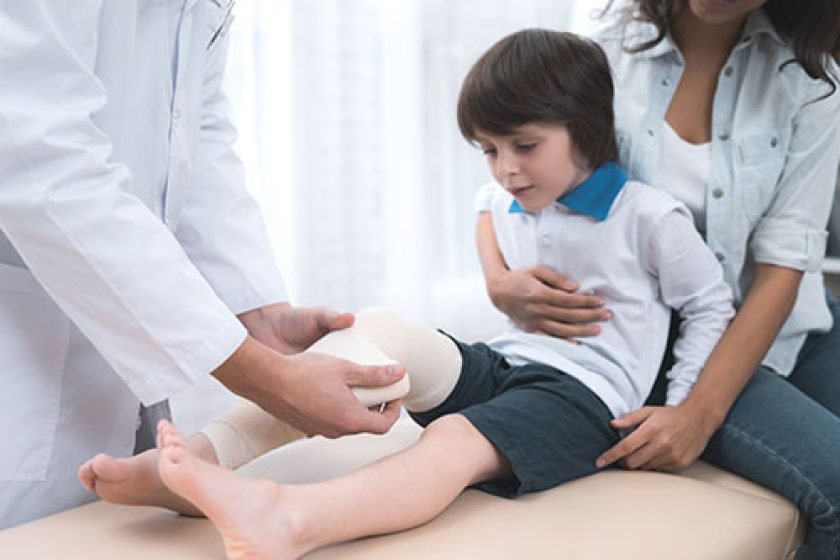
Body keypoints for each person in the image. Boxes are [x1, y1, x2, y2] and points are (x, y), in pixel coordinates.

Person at [77, 29, 734, 559]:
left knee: (451, 437)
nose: (505, 168)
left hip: (587, 399)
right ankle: (197, 460)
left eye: (524, 147)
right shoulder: (519, 192)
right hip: (509, 363)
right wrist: (496, 271)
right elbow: (487, 203)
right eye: (489, 150)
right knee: (380, 328)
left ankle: (292, 519)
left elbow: (710, 304)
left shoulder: (649, 216)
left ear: (586, 129)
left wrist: (678, 406)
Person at [0, 1, 404, 529]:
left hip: (115, 353)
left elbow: (192, 137)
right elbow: (41, 164)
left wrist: (257, 312)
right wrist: (263, 378)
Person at [475, 1, 840, 558]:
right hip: (668, 335)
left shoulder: (815, 80)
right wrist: (498, 281)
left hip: (790, 317)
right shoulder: (605, 42)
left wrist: (699, 416)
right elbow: (508, 170)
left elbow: (785, 266)